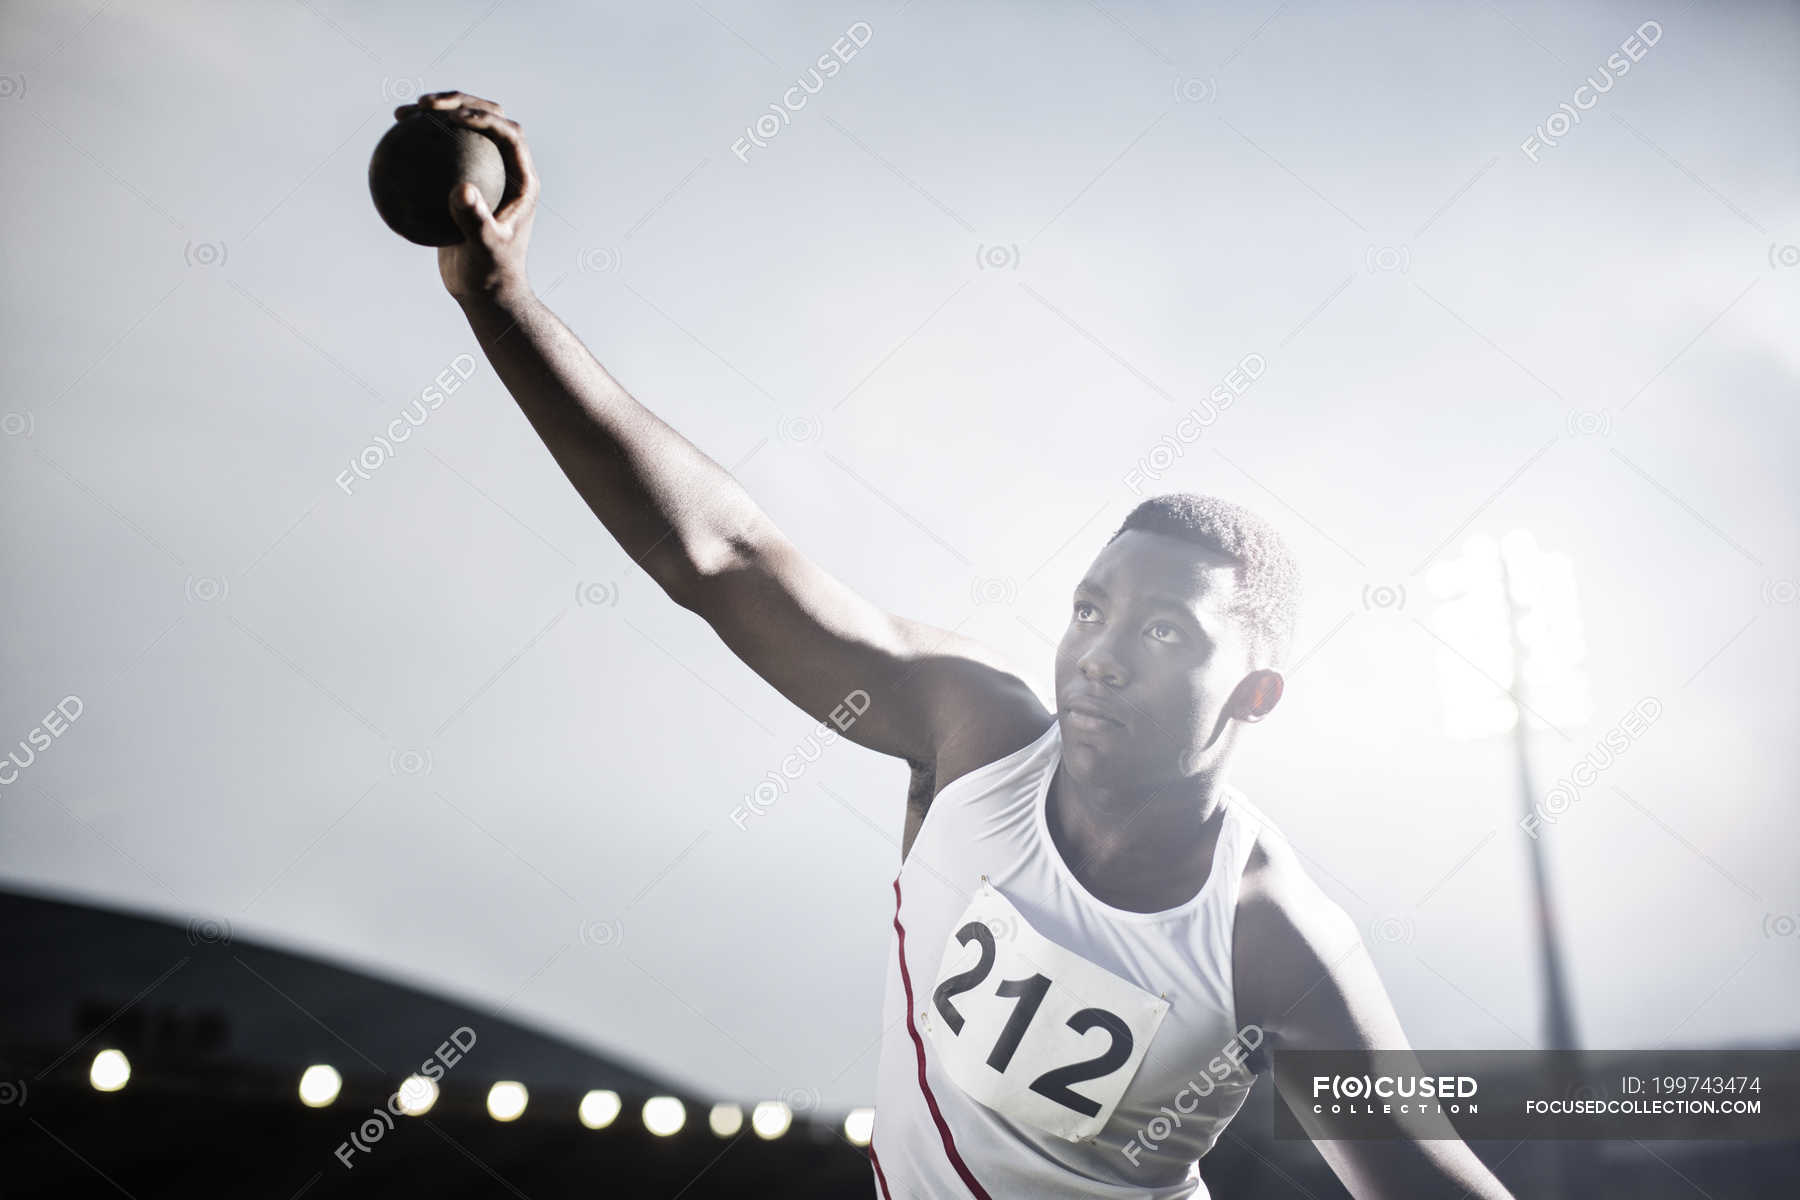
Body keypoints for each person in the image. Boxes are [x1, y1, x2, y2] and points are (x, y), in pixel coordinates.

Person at [401, 90, 1514, 1199]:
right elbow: (724, 557)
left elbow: (1428, 1182)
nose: (1100, 655)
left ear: (1256, 694)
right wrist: (501, 303)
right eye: (1089, 609)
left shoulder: (1271, 935)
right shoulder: (973, 735)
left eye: (1166, 630)